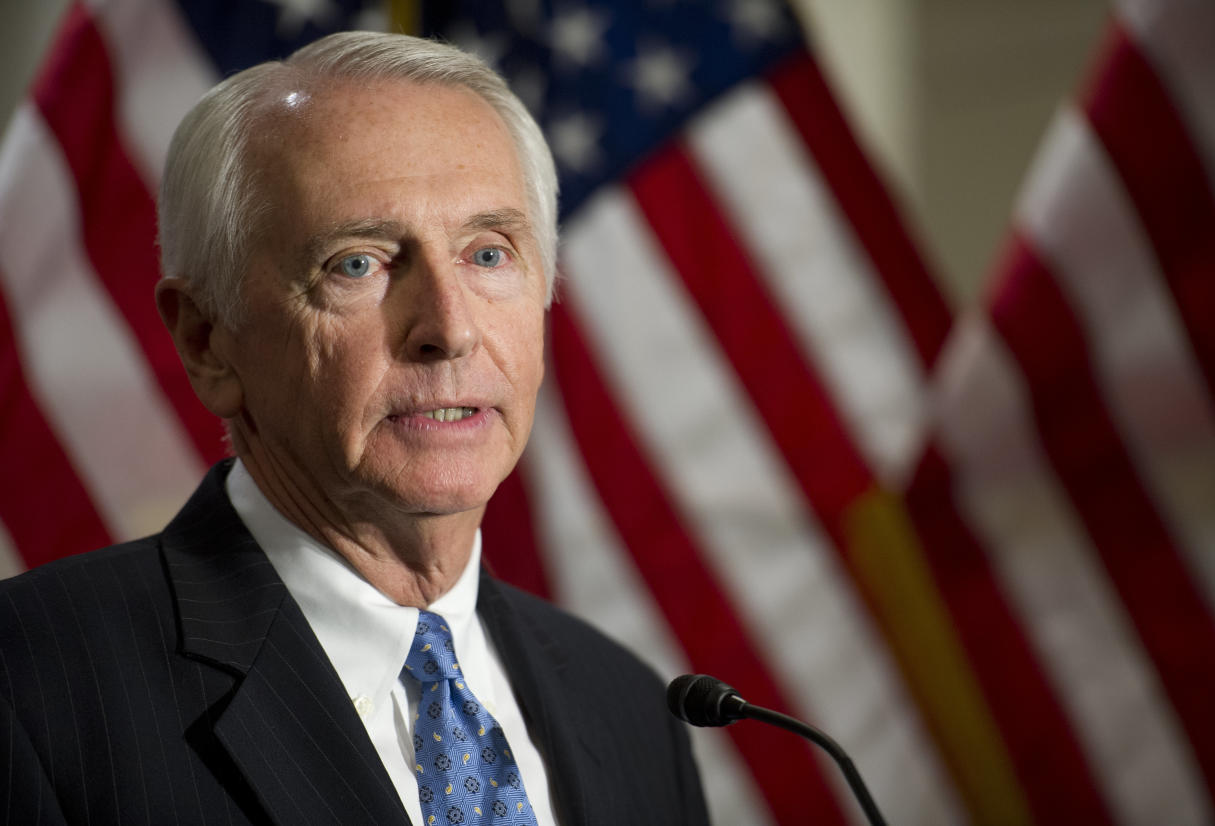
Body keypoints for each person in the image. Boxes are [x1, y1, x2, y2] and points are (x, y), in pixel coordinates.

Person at [0, 32, 709, 826]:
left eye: (487, 253)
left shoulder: (633, 710)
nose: (449, 328)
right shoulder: (30, 690)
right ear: (207, 341)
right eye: (358, 264)